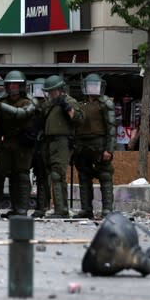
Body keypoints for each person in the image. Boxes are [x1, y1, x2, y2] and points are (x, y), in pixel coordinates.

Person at [0, 70, 37, 217]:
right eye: (10, 85)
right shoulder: (3, 101)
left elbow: (22, 113)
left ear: (22, 86)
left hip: (23, 144)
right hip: (7, 144)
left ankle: (21, 210)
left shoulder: (29, 101)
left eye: (16, 85)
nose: (13, 87)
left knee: (22, 176)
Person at [73, 74, 116, 219]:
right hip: (82, 145)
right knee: (84, 177)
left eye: (94, 85)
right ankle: (86, 209)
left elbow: (111, 128)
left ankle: (107, 209)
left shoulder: (105, 103)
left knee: (105, 175)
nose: (92, 89)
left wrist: (109, 149)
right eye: (89, 85)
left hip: (99, 144)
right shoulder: (80, 105)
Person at [40, 75, 83, 218]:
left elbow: (79, 120)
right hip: (48, 141)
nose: (51, 94)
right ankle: (54, 207)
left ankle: (60, 210)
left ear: (60, 89)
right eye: (49, 91)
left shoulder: (69, 101)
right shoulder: (49, 104)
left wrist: (68, 108)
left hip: (62, 141)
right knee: (49, 173)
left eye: (53, 91)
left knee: (57, 174)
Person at [29, 78, 51, 218]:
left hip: (44, 145)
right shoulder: (32, 106)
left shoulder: (49, 107)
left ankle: (42, 206)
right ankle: (36, 206)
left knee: (43, 176)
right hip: (32, 144)